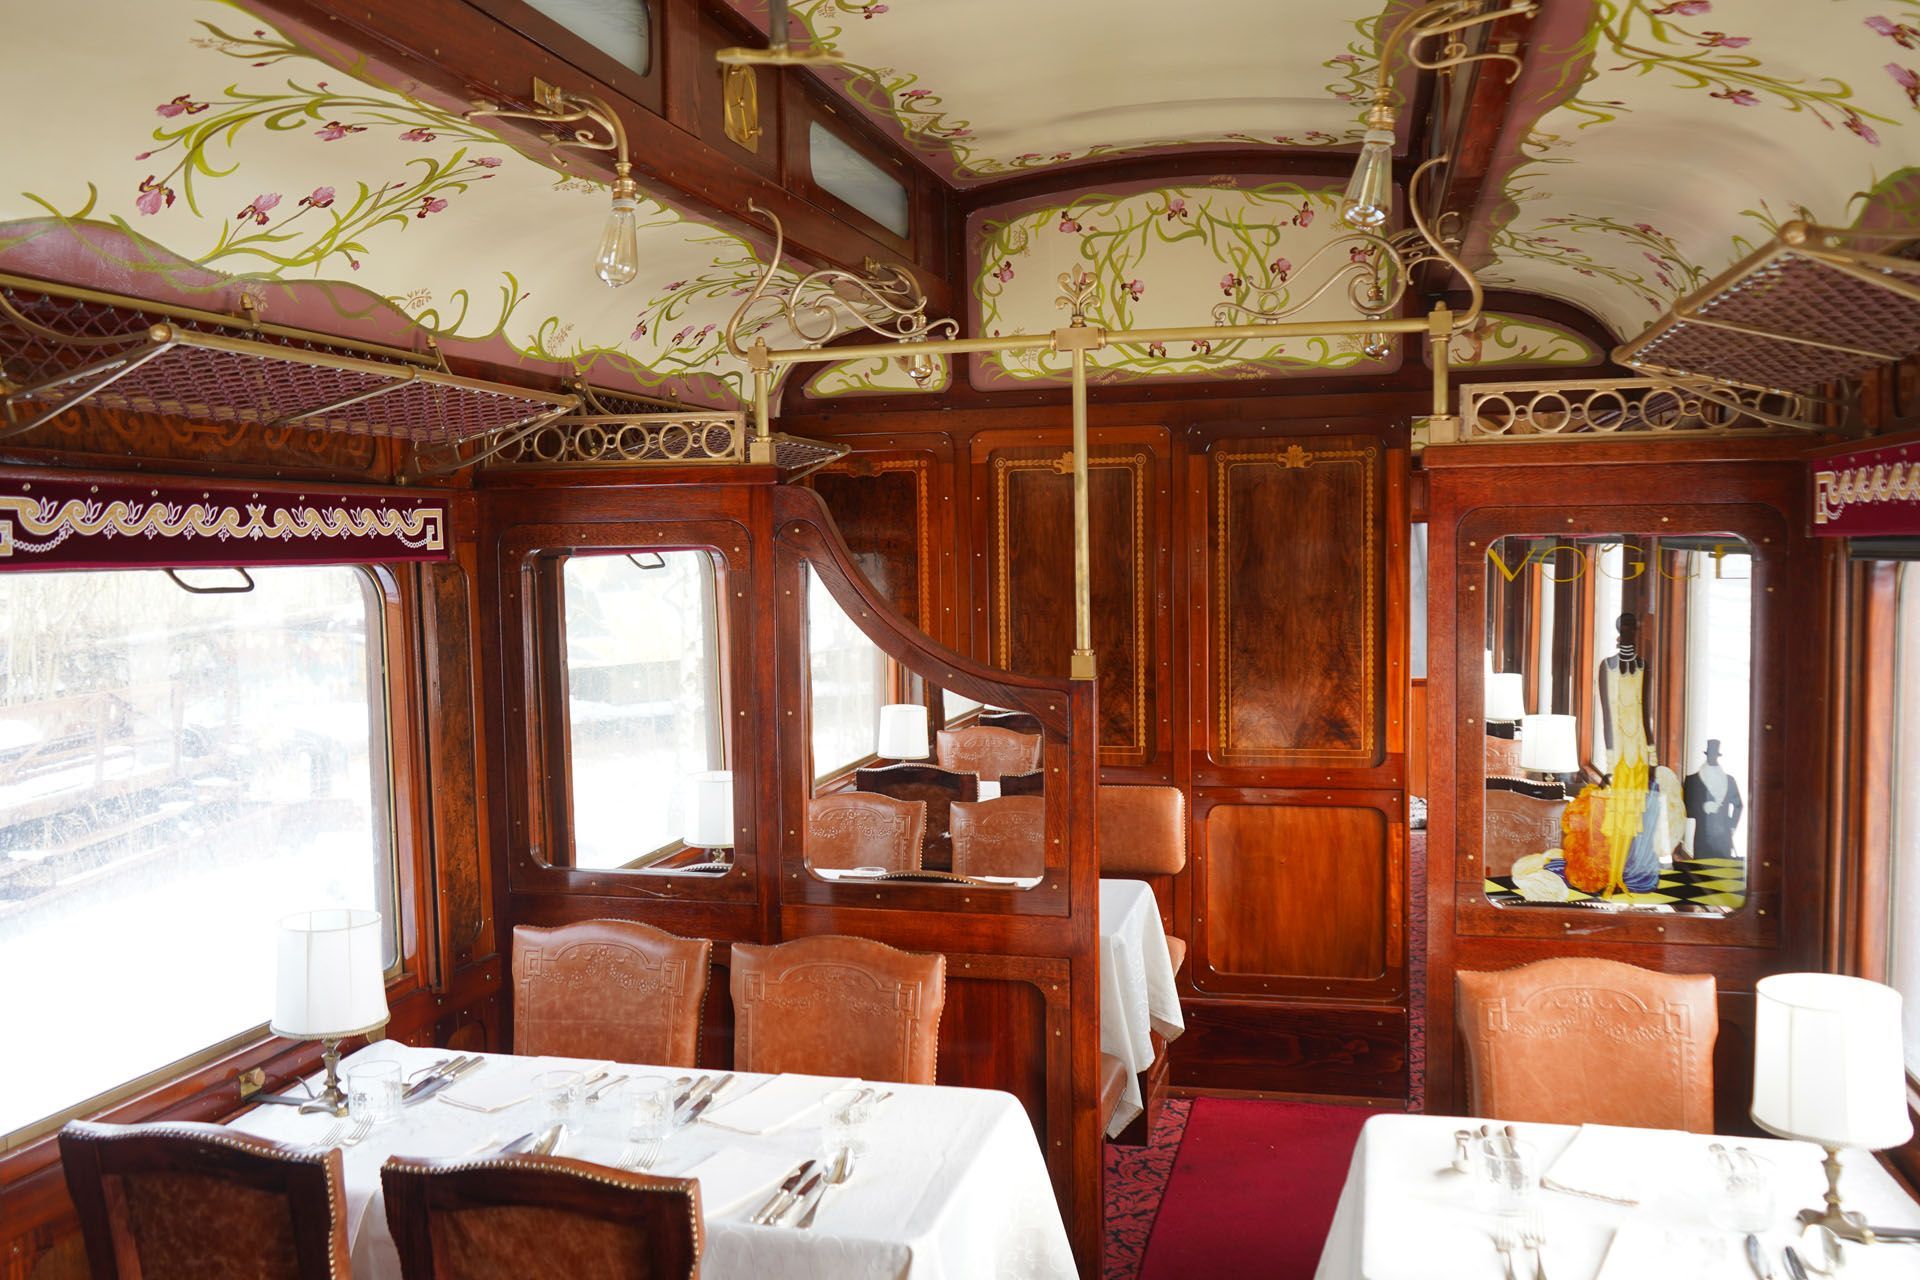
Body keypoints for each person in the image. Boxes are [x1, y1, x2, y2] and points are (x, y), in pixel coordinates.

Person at [1683, 739, 1744, 857]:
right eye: (1711, 754)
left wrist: (1731, 826)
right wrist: (1703, 808)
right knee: (1702, 868)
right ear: (1707, 755)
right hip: (1702, 840)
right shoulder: (1692, 780)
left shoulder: (1729, 780)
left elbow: (1739, 805)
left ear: (1717, 755)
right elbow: (1688, 811)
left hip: (1723, 841)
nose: (1712, 757)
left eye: (1714, 754)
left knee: (1723, 868)